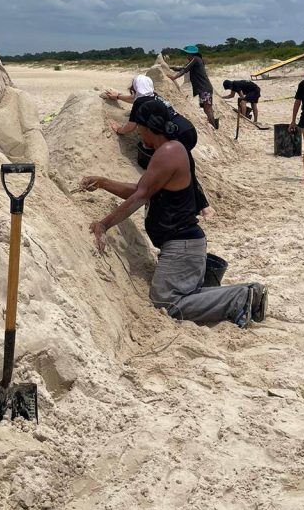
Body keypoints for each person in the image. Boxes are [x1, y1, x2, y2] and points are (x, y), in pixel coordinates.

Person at [82, 98, 268, 327]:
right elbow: (143, 190)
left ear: (149, 126)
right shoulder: (170, 149)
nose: (139, 134)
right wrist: (104, 182)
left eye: (139, 128)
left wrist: (103, 224)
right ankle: (236, 296)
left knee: (166, 304)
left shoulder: (169, 152)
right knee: (182, 298)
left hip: (182, 247)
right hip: (184, 246)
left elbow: (140, 196)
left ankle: (242, 296)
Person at [104, 74, 213, 216]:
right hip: (187, 128)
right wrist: (118, 96)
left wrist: (119, 129)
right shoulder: (154, 96)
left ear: (136, 88)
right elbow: (136, 99)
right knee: (187, 166)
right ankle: (202, 206)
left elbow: (130, 127)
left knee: (187, 170)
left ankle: (204, 207)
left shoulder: (140, 102)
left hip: (178, 133)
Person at [168, 46, 218, 129]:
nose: (186, 56)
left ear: (190, 54)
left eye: (187, 54)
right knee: (206, 108)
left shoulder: (195, 59)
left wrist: (174, 77)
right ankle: (212, 125)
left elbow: (185, 70)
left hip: (204, 88)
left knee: (207, 108)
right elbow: (184, 68)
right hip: (204, 88)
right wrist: (171, 67)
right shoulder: (197, 60)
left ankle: (214, 126)